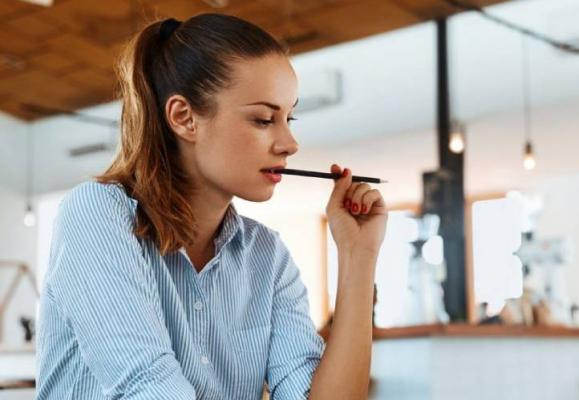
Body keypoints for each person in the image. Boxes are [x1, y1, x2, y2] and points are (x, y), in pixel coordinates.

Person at [35, 13, 387, 400]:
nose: (290, 143)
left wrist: (358, 256)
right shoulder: (97, 213)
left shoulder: (268, 257)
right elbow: (147, 388)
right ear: (185, 118)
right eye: (264, 119)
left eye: (289, 118)